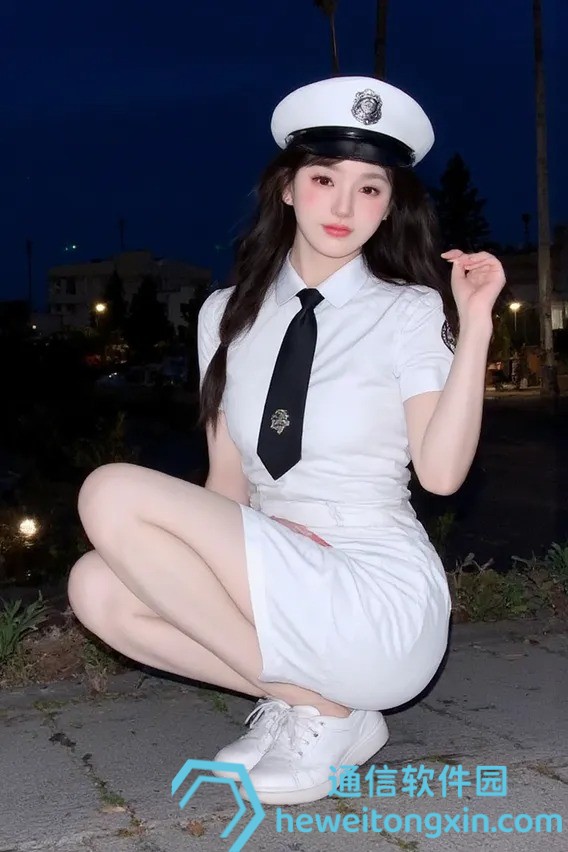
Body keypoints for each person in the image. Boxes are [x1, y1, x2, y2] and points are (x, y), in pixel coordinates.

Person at [67, 75, 505, 808]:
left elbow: (442, 474)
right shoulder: (223, 316)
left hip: (374, 589)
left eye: (370, 189)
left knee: (108, 489)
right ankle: (316, 704)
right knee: (96, 586)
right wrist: (255, 544)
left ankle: (322, 710)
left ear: (389, 205)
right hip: (276, 571)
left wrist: (477, 323)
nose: (344, 207)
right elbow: (227, 483)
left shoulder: (409, 311)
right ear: (287, 188)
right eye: (325, 179)